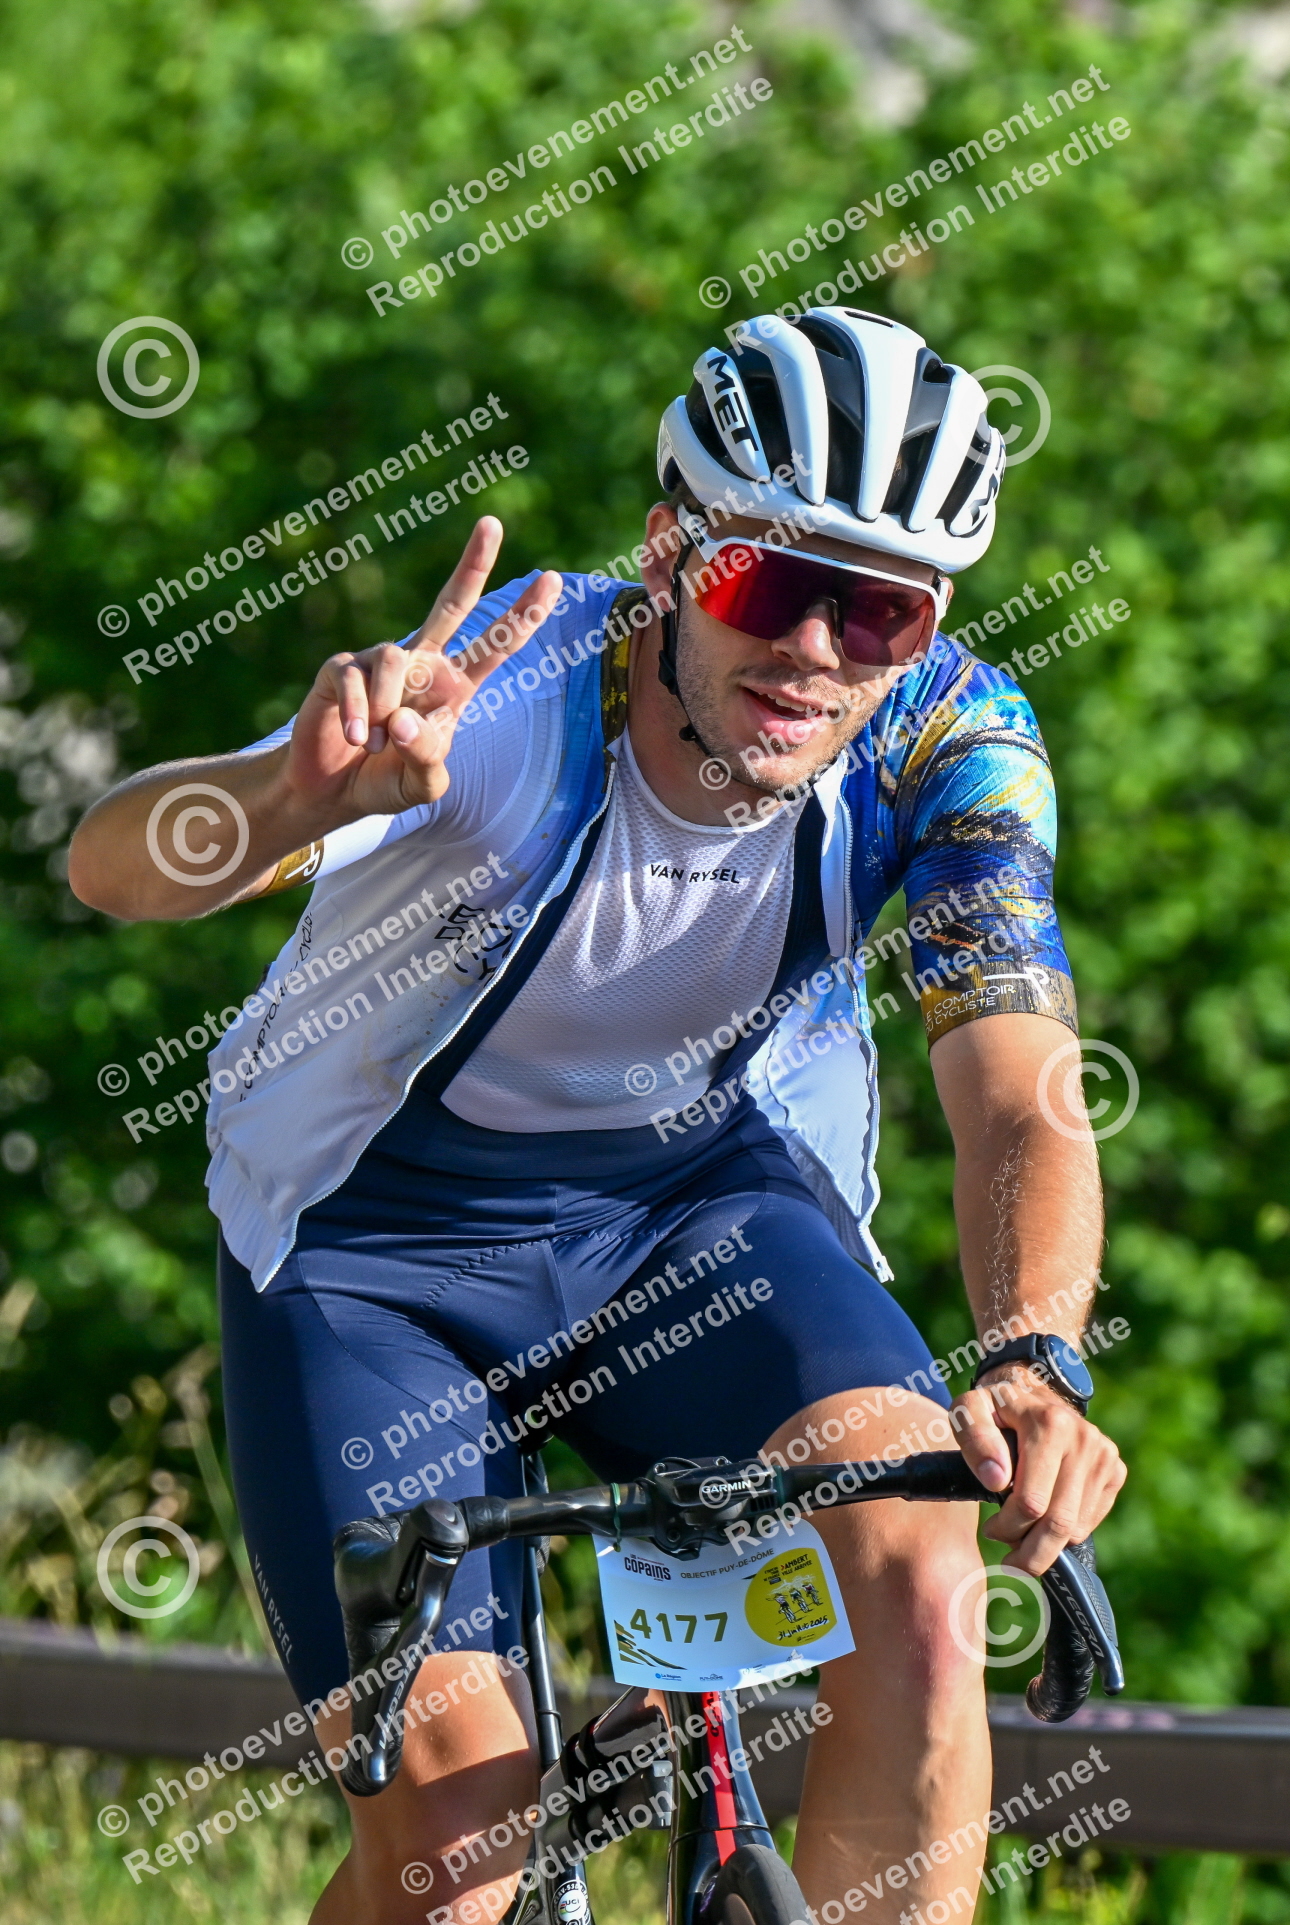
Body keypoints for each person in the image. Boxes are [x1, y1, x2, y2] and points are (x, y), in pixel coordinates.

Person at [69, 306, 1126, 1925]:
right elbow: (108, 866)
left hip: (699, 1211)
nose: (817, 650)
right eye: (769, 582)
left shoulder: (954, 740)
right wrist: (290, 798)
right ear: (668, 553)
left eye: (882, 608)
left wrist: (1034, 1355)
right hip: (370, 1252)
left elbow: (1021, 1090)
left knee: (923, 1589)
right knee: (459, 1846)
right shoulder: (506, 688)